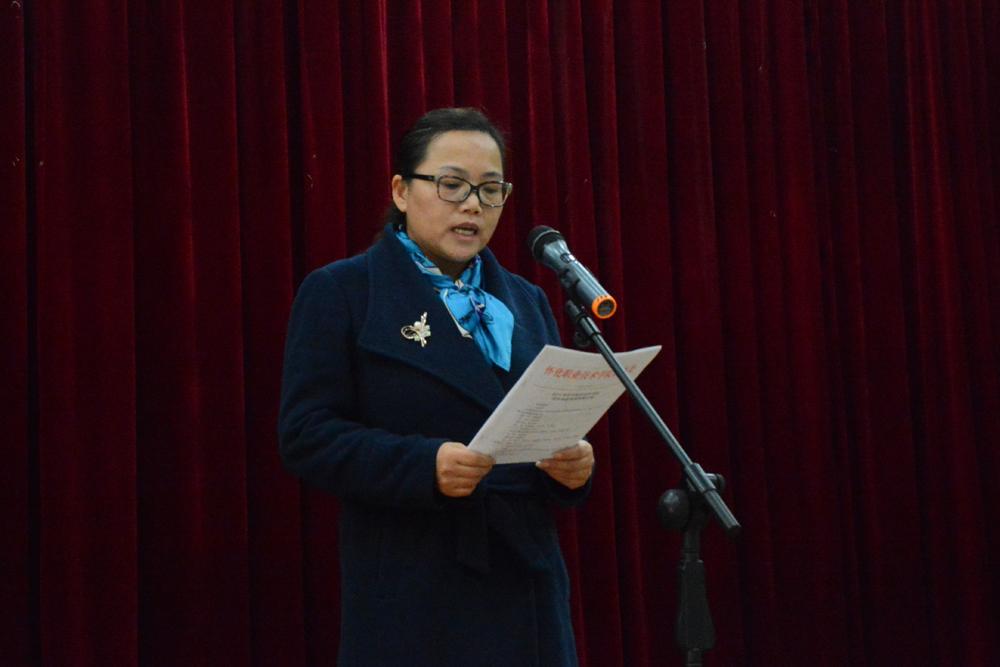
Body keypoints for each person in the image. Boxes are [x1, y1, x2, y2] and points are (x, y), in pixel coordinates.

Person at [278, 107, 595, 666]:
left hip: (526, 585)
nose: (472, 205)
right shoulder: (343, 291)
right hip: (414, 587)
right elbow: (307, 435)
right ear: (401, 191)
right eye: (452, 185)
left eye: (490, 190)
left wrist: (570, 470)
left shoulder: (527, 300)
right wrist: (424, 466)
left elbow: (541, 425)